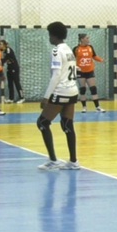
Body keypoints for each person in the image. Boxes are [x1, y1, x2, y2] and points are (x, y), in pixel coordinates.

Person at [37, 22, 81, 170]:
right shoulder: (69, 49)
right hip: (72, 91)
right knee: (67, 124)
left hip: (61, 91)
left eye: (49, 34)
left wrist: (46, 97)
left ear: (54, 35)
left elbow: (56, 75)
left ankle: (53, 160)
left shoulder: (56, 51)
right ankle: (73, 161)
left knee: (42, 123)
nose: (49, 37)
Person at [73, 34, 105, 114]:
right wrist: (74, 68)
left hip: (90, 71)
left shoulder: (90, 47)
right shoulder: (76, 49)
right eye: (87, 38)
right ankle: (84, 107)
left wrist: (101, 60)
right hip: (80, 72)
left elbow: (94, 56)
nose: (88, 39)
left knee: (93, 88)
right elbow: (72, 60)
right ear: (82, 39)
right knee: (83, 89)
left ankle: (97, 107)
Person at [1, 39, 24, 104]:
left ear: (4, 45)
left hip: (14, 68)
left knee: (17, 83)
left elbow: (4, 59)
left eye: (1, 44)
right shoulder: (3, 51)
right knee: (10, 83)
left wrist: (0, 62)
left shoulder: (8, 50)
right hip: (9, 68)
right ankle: (11, 98)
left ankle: (22, 97)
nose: (0, 45)